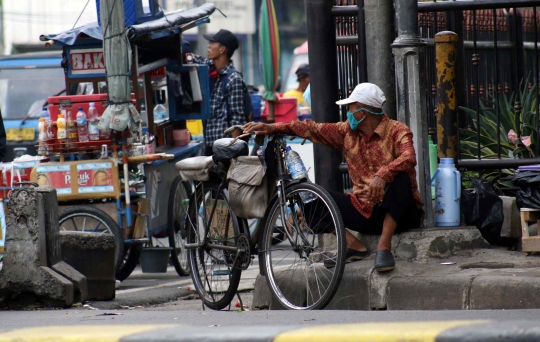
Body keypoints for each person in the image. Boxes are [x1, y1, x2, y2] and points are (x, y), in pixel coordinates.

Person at [243, 83, 424, 272]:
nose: (348, 114)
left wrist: (383, 174)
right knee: (309, 196)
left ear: (364, 112)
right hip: (364, 211)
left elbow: (408, 156)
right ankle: (353, 245)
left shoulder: (397, 130)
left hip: (400, 214)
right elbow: (311, 128)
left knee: (401, 178)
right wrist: (272, 127)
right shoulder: (346, 132)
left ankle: (384, 247)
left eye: (351, 109)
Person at [184, 29, 247, 156]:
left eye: (213, 43)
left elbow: (237, 119)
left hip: (224, 148)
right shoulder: (209, 67)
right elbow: (187, 54)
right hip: (208, 145)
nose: (209, 46)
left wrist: (233, 153)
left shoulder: (233, 79)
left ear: (222, 49)